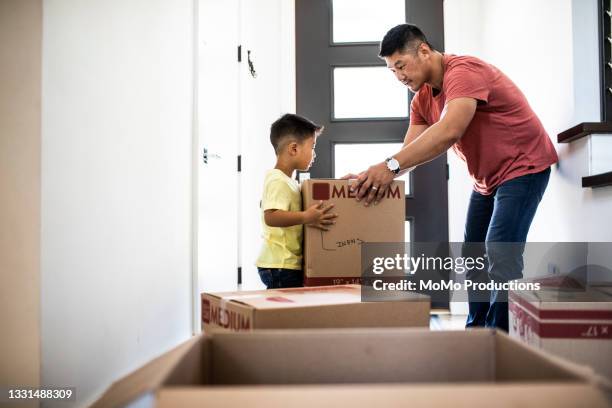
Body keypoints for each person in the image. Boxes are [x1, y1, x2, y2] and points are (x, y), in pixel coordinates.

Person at [347, 24, 558, 331]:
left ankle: (499, 338)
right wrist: (374, 175)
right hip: (487, 179)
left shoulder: (463, 71)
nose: (399, 76)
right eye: (392, 71)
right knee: (474, 258)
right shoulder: (420, 100)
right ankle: (476, 334)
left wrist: (389, 166)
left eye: (401, 66)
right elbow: (410, 153)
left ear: (423, 50)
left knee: (500, 253)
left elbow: (449, 130)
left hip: (524, 166)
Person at [256, 113, 338, 289]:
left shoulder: (290, 182)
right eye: (313, 147)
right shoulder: (277, 179)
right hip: (279, 264)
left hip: (285, 263)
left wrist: (339, 187)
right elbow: (271, 217)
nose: (314, 154)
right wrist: (306, 217)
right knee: (283, 312)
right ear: (294, 149)